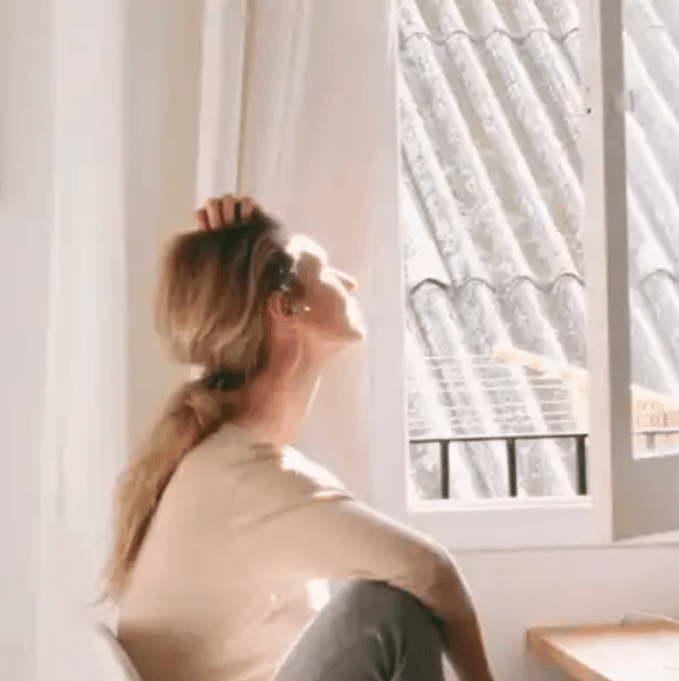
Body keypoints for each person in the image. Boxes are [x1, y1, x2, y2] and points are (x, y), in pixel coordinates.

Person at [105, 196, 495, 681]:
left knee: (385, 596)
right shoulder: (243, 480)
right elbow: (432, 570)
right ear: (285, 308)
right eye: (325, 270)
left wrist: (242, 245)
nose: (349, 280)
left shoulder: (230, 463)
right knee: (385, 609)